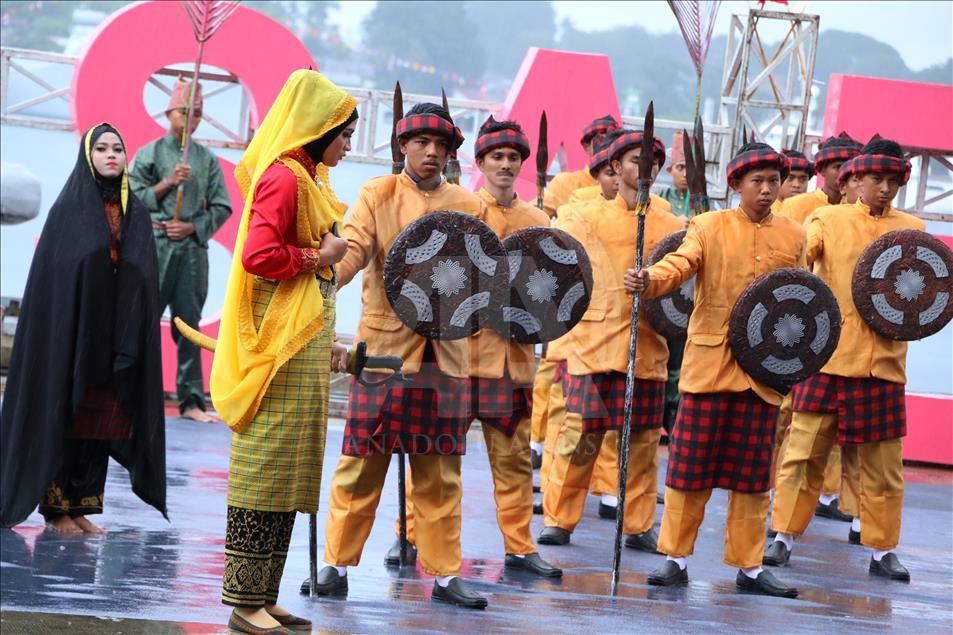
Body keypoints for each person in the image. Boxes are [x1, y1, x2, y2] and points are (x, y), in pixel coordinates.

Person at [315, 103, 490, 609]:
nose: (432, 153)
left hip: (445, 356)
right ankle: (335, 565)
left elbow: (484, 277)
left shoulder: (467, 204)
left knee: (439, 473)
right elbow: (353, 249)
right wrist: (327, 274)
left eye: (442, 146)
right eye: (422, 144)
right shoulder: (378, 192)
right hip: (384, 353)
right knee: (359, 465)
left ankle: (444, 574)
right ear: (403, 146)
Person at [210, 69, 357, 634]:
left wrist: (329, 344)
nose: (347, 143)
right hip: (275, 355)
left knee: (288, 478)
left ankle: (263, 595)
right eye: (344, 132)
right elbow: (258, 256)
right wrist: (321, 258)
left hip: (301, 353)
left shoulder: (309, 177)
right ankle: (243, 604)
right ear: (319, 128)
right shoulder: (284, 178)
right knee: (262, 472)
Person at [625, 142, 805, 598]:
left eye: (773, 181)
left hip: (764, 375)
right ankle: (675, 559)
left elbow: (801, 299)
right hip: (709, 370)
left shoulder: (794, 235)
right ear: (736, 185)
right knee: (689, 472)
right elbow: (678, 266)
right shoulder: (708, 225)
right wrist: (648, 280)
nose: (766, 190)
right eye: (756, 181)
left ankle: (749, 565)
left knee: (752, 479)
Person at [765, 138, 922, 583]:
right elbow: (800, 256)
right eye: (877, 179)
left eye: (894, 180)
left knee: (884, 467)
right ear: (853, 179)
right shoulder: (827, 219)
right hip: (827, 359)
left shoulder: (911, 229)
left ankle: (883, 548)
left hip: (883, 365)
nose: (885, 188)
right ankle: (783, 536)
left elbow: (928, 292)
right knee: (802, 454)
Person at [1, 124, 166, 534]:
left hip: (113, 334)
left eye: (118, 148)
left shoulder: (136, 212)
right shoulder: (70, 210)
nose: (111, 154)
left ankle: (82, 505)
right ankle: (56, 509)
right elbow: (60, 274)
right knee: (66, 412)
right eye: (102, 148)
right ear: (87, 156)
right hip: (72, 333)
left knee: (100, 419)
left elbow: (143, 271)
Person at [539, 130, 681, 552]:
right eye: (636, 161)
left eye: (652, 163)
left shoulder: (671, 223)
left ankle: (638, 525)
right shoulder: (582, 216)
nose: (645, 170)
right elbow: (556, 260)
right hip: (594, 344)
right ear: (616, 167)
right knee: (580, 438)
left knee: (641, 444)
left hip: (649, 348)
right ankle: (559, 519)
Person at [129, 78, 232, 423]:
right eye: (185, 112)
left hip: (190, 251)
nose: (191, 119)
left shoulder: (206, 160)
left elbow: (221, 206)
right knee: (141, 321)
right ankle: (131, 394)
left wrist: (192, 226)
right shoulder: (152, 153)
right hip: (155, 247)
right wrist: (167, 183)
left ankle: (191, 401)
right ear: (169, 112)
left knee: (189, 325)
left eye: (198, 113)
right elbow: (130, 195)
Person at [541, 114, 621, 218]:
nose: (609, 147)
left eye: (615, 142)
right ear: (586, 147)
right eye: (602, 141)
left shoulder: (628, 184)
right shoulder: (565, 183)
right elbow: (537, 214)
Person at [777, 132, 860, 224]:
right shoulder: (794, 205)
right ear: (822, 170)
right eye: (838, 167)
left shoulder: (857, 208)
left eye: (849, 169)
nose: (844, 173)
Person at [657, 131, 691, 217]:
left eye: (691, 169)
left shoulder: (701, 202)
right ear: (670, 170)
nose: (685, 175)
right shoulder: (660, 196)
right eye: (680, 167)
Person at [771, 149, 813, 214]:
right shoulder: (765, 210)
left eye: (803, 179)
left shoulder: (814, 211)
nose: (796, 185)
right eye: (790, 178)